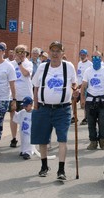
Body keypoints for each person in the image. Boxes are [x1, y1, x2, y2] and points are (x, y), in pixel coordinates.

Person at [31, 41, 78, 180]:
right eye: (53, 51)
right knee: (43, 139)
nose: (55, 53)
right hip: (43, 107)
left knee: (62, 139)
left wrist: (75, 90)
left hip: (62, 109)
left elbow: (74, 83)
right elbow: (36, 87)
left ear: (63, 53)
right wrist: (35, 105)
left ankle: (61, 170)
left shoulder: (68, 67)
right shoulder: (42, 67)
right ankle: (44, 166)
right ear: (49, 52)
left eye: (58, 51)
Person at [80, 50, 104, 150]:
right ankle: (93, 141)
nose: (95, 59)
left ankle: (102, 140)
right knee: (91, 122)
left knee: (103, 122)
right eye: (93, 57)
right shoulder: (88, 71)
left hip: (103, 100)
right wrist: (82, 99)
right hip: (90, 100)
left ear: (101, 58)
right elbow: (84, 86)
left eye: (97, 57)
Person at [9, 44, 33, 148]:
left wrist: (20, 64)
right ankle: (14, 138)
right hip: (13, 95)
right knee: (13, 117)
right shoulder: (10, 64)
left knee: (26, 117)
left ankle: (27, 139)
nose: (21, 54)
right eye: (19, 52)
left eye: (23, 52)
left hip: (25, 95)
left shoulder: (28, 63)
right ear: (15, 53)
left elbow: (26, 73)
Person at [76, 49, 92, 125]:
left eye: (84, 55)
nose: (82, 56)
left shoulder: (90, 64)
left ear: (87, 55)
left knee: (85, 102)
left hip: (85, 86)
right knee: (73, 100)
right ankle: (74, 116)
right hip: (78, 86)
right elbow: (78, 75)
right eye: (81, 54)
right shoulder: (79, 63)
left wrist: (83, 85)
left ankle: (86, 117)